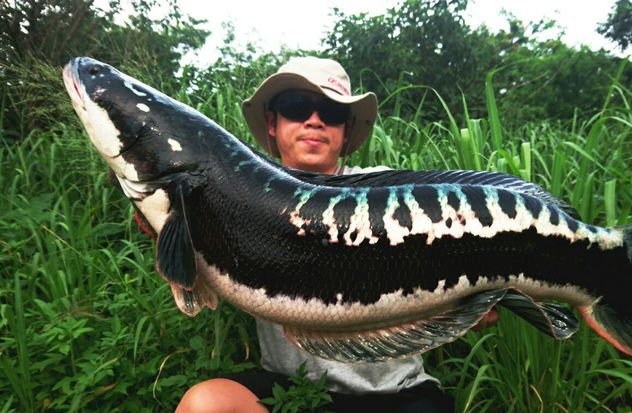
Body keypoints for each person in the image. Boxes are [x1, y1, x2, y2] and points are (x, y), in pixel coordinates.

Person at [176, 56, 498, 413]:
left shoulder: (389, 193)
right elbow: (189, 270)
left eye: (330, 112)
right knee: (205, 404)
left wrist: (474, 299)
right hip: (290, 390)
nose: (314, 120)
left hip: (395, 394)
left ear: (345, 129)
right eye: (297, 107)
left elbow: (466, 239)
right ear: (272, 121)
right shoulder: (237, 195)